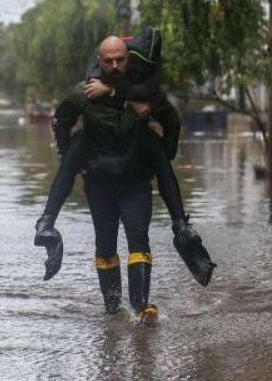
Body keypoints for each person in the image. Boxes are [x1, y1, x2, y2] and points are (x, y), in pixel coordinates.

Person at [33, 34, 214, 324]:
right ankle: (113, 309)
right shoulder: (84, 93)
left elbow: (173, 120)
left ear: (128, 59)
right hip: (99, 182)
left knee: (138, 238)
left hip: (134, 180)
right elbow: (61, 119)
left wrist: (165, 153)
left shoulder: (143, 94)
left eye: (120, 60)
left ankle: (141, 308)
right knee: (105, 244)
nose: (115, 65)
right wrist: (69, 156)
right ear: (99, 62)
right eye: (109, 61)